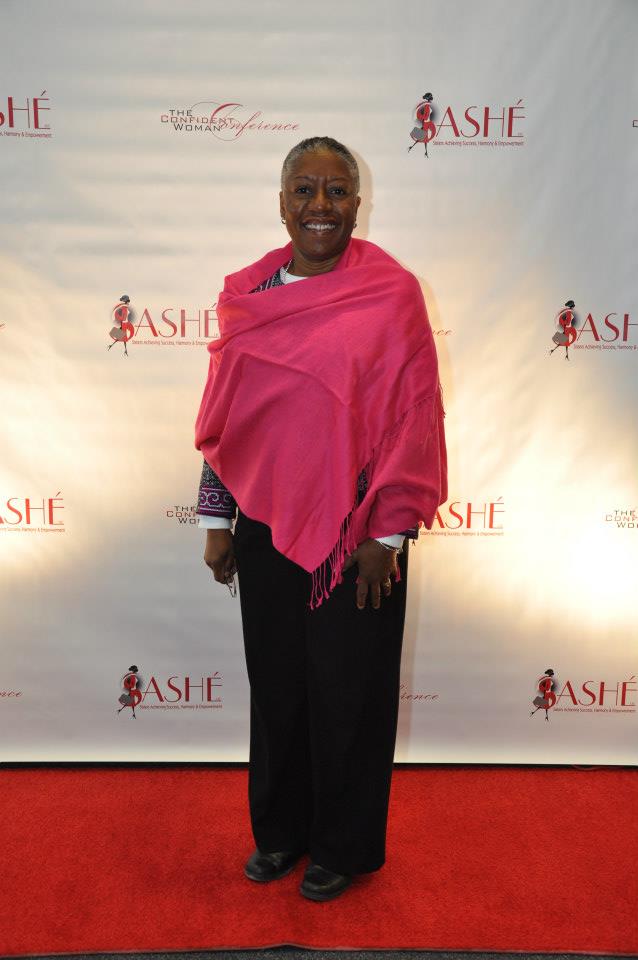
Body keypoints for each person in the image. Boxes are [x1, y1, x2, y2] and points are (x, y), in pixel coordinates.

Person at [194, 136, 447, 901]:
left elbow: (413, 417)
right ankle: (281, 834)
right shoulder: (247, 295)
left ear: (357, 205)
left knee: (350, 690)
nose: (320, 206)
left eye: (336, 191)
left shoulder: (391, 295)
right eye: (304, 190)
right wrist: (216, 518)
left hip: (358, 536)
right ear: (281, 203)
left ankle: (340, 845)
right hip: (265, 525)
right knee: (278, 687)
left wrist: (387, 535)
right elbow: (227, 416)